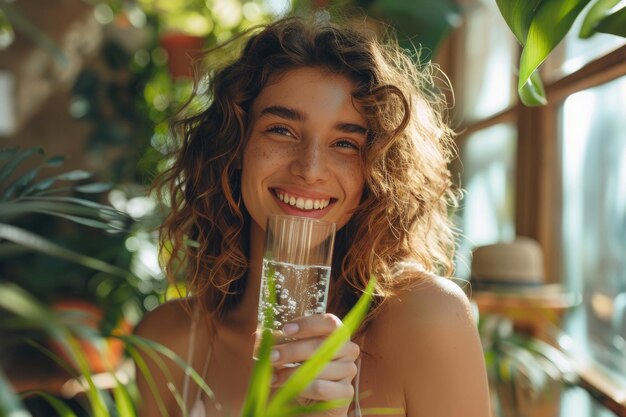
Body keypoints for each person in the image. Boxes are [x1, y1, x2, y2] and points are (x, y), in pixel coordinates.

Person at [135, 14, 492, 417]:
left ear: (378, 170)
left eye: (344, 142)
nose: (310, 168)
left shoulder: (428, 319)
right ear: (233, 148)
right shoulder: (168, 338)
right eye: (282, 130)